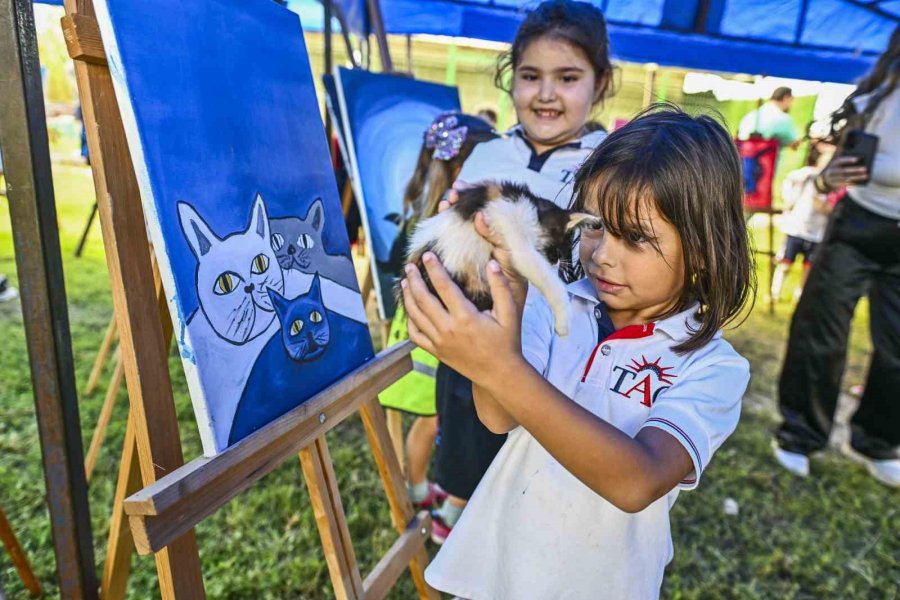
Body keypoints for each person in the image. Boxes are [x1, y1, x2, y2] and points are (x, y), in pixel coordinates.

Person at [402, 106, 754, 599]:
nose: (602, 254)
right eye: (594, 226)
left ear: (700, 248)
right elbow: (497, 415)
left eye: (634, 238)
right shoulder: (557, 306)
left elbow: (638, 480)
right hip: (495, 572)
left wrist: (500, 367)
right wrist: (505, 302)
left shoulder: (713, 366)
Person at [428, 0, 615, 544]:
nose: (546, 93)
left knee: (536, 476)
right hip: (476, 346)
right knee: (467, 452)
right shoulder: (486, 155)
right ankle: (455, 522)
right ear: (511, 79)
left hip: (564, 356)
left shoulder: (610, 164)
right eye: (531, 76)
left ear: (600, 83)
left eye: (568, 77)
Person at [773, 27, 900, 487]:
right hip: (856, 226)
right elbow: (827, 179)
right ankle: (799, 435)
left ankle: (876, 441)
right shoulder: (874, 101)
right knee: (821, 335)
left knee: (897, 349)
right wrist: (830, 179)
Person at [378, 112, 498, 510]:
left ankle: (420, 488)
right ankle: (417, 490)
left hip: (434, 328)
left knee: (433, 420)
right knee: (432, 419)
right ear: (464, 165)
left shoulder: (430, 208)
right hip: (433, 335)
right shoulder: (445, 219)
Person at [770, 143, 834, 301]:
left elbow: (830, 207)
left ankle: (800, 295)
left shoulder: (833, 183)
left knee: (808, 268)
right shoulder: (807, 175)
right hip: (796, 228)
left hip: (817, 233)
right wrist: (788, 201)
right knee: (785, 263)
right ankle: (775, 292)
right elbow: (789, 181)